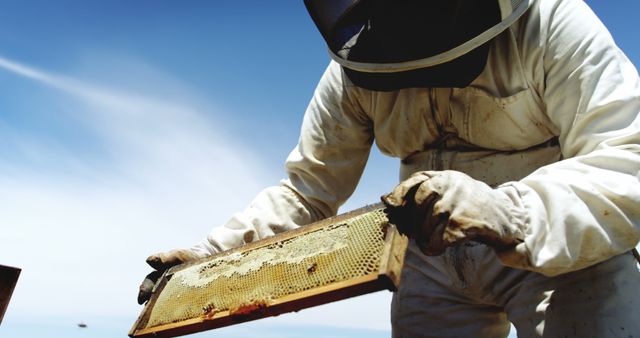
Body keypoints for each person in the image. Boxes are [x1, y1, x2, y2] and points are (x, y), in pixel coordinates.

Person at [138, 0, 640, 337]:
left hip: (557, 246)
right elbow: (308, 191)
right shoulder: (357, 68)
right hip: (426, 258)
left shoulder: (552, 23)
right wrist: (208, 259)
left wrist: (510, 213)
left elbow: (626, 157)